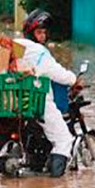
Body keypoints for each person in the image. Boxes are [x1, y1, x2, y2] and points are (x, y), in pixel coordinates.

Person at [16, 9, 80, 177]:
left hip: (15, 100)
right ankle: (55, 186)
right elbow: (55, 72)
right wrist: (73, 79)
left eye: (44, 32)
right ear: (31, 33)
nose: (43, 36)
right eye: (39, 32)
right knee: (63, 139)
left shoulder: (16, 45)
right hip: (38, 101)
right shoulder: (39, 51)